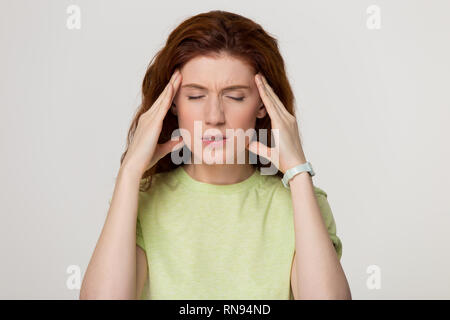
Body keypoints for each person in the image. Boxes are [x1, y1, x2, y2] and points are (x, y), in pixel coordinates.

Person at [80, 10, 351, 300]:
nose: (214, 116)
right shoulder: (141, 200)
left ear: (263, 105)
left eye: (235, 96)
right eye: (195, 96)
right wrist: (130, 172)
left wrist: (297, 171)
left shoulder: (304, 201)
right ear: (172, 104)